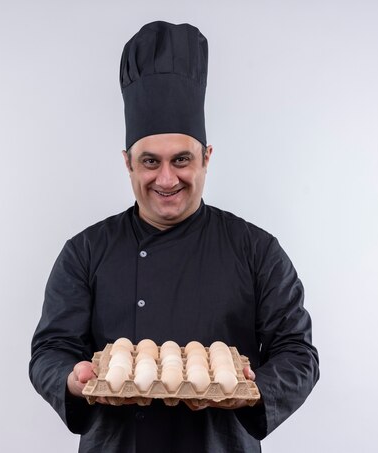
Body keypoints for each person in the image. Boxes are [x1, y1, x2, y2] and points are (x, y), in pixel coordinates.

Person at [29, 21, 319, 453]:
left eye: (181, 159)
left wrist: (258, 387)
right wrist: (71, 379)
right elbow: (51, 349)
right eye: (150, 162)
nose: (167, 179)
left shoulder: (257, 251)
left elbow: (298, 353)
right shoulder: (85, 252)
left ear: (206, 158)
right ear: (128, 162)